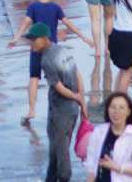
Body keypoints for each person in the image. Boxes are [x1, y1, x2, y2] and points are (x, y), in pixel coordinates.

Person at [9, 0, 92, 124]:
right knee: (66, 76)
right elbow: (68, 23)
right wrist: (83, 37)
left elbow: (25, 23)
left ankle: (32, 110)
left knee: (34, 77)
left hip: (36, 47)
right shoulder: (55, 7)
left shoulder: (33, 7)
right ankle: (78, 101)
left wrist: (16, 38)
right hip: (52, 49)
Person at [30, 21, 86, 182]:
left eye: (34, 40)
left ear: (44, 39)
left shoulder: (46, 60)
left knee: (61, 151)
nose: (31, 43)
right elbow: (78, 75)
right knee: (56, 149)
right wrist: (81, 101)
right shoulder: (63, 50)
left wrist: (76, 97)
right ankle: (51, 178)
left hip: (60, 111)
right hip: (72, 110)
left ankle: (64, 178)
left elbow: (59, 87)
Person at [81, 92, 132, 182]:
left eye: (121, 108)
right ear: (108, 109)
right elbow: (91, 167)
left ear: (128, 111)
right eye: (113, 107)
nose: (116, 112)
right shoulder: (98, 132)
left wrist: (117, 168)